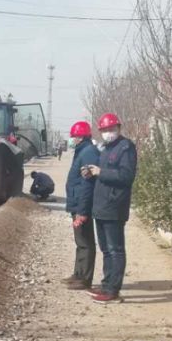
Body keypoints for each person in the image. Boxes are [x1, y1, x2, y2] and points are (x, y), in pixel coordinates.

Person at [82, 113, 136, 303]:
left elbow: (126, 176)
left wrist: (101, 172)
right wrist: (91, 172)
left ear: (119, 128)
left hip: (115, 206)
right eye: (104, 130)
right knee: (106, 249)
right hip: (101, 206)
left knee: (115, 249)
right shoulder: (106, 148)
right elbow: (103, 174)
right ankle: (106, 284)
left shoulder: (126, 148)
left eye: (111, 129)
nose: (108, 133)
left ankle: (113, 290)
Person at [63, 120, 100, 291]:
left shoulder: (88, 153)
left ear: (80, 137)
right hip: (77, 203)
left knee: (85, 242)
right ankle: (78, 274)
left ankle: (85, 279)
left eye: (74, 136)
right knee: (80, 241)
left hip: (81, 205)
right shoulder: (82, 151)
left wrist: (82, 211)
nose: (72, 139)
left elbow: (87, 184)